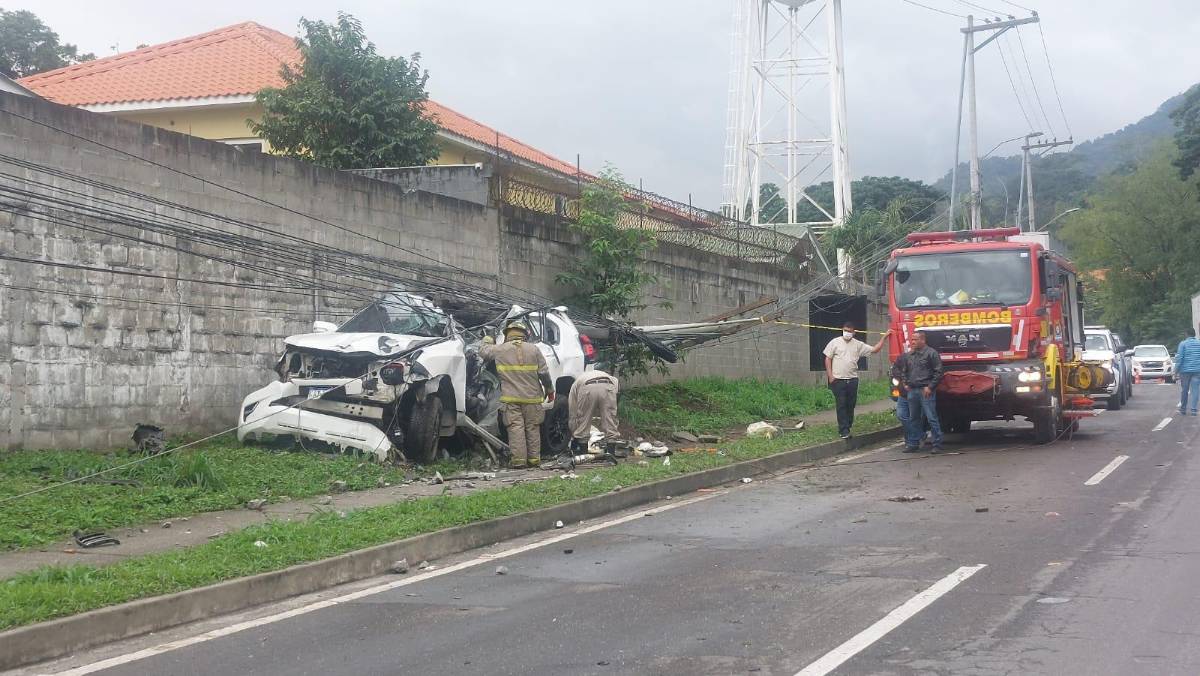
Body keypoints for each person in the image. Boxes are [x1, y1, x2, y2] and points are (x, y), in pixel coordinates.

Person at [480, 320, 555, 469]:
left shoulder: (501, 349)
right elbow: (544, 373)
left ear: (508, 334)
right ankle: (534, 460)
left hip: (511, 399)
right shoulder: (534, 349)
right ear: (525, 335)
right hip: (532, 399)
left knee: (516, 428)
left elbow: (484, 352)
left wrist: (487, 339)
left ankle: (519, 461)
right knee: (532, 427)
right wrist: (550, 390)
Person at [824, 322, 891, 439]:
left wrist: (884, 337)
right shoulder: (835, 342)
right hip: (838, 380)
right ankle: (843, 430)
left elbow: (874, 350)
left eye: (850, 331)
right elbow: (828, 358)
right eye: (845, 330)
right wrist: (830, 375)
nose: (847, 333)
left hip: (852, 380)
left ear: (854, 333)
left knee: (850, 404)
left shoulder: (858, 345)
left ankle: (848, 426)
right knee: (841, 405)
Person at [899, 330, 944, 453]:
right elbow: (904, 371)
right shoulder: (909, 355)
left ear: (923, 340)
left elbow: (939, 372)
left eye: (915, 339)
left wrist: (930, 387)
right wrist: (905, 383)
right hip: (912, 391)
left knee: (931, 417)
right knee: (913, 417)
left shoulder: (931, 353)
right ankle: (913, 443)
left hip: (926, 391)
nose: (912, 342)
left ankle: (937, 444)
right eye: (911, 339)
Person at [568, 369, 621, 458]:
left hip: (587, 387)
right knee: (610, 420)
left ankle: (583, 454)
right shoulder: (613, 379)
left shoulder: (576, 384)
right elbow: (617, 396)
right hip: (608, 385)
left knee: (583, 420)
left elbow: (573, 412)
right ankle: (611, 454)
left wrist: (574, 434)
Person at [1174, 327, 1200, 415]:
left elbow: (1179, 359)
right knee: (1195, 390)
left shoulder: (1183, 344)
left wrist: (1175, 371)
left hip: (1185, 371)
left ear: (1186, 334)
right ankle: (1193, 410)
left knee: (1184, 389)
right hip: (1197, 370)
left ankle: (1183, 409)